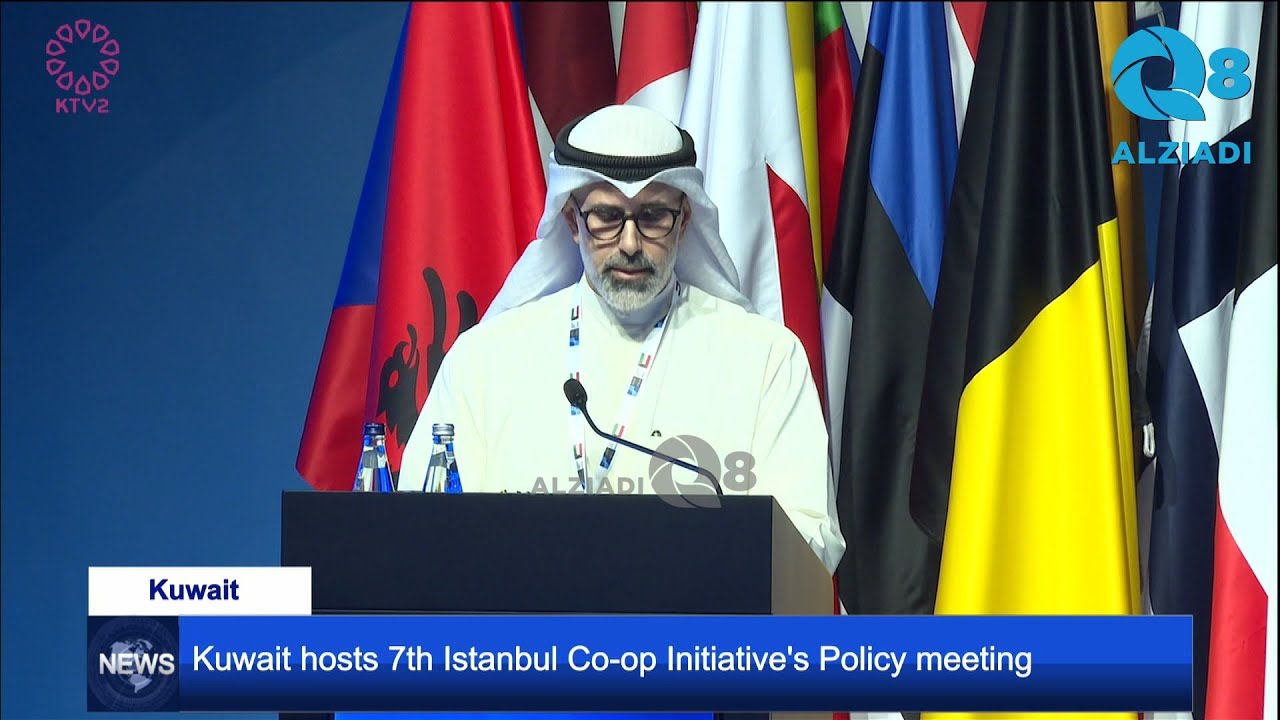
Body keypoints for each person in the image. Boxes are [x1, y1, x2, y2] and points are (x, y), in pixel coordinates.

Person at [398, 105, 844, 575]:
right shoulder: (485, 361)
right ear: (572, 223)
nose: (630, 244)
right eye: (607, 217)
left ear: (684, 220)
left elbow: (809, 536)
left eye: (652, 217)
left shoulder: (765, 358)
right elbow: (424, 535)